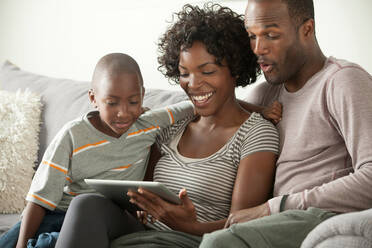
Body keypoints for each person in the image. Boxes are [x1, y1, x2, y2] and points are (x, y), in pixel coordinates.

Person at [54, 4, 280, 248]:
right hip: (138, 234)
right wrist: (141, 207)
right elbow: (143, 191)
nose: (193, 84)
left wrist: (186, 225)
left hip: (190, 241)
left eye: (207, 71)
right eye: (184, 73)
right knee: (86, 204)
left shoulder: (256, 134)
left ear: (235, 69)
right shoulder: (173, 125)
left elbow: (242, 229)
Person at [200, 0, 372, 247]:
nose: (258, 48)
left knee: (219, 244)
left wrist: (274, 207)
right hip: (278, 221)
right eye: (252, 36)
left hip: (324, 216)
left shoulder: (342, 81)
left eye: (271, 35)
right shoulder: (263, 97)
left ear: (307, 30)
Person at [0, 53, 196, 248]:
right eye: (112, 103)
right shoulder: (72, 135)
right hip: (58, 213)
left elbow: (194, 105)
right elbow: (39, 198)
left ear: (142, 96)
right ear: (93, 98)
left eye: (133, 102)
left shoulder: (149, 123)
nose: (123, 112)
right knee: (11, 241)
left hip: (108, 217)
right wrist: (21, 244)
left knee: (48, 243)